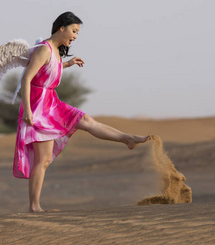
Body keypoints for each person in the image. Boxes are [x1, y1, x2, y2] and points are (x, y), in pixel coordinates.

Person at [13, 11, 150, 213]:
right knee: (43, 160)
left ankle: (127, 139)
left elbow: (47, 72)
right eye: (74, 31)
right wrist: (28, 111)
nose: (75, 36)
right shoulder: (44, 49)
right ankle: (35, 207)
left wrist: (66, 64)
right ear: (62, 28)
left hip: (52, 103)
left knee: (86, 120)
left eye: (77, 32)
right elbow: (27, 79)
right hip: (39, 107)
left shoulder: (56, 52)